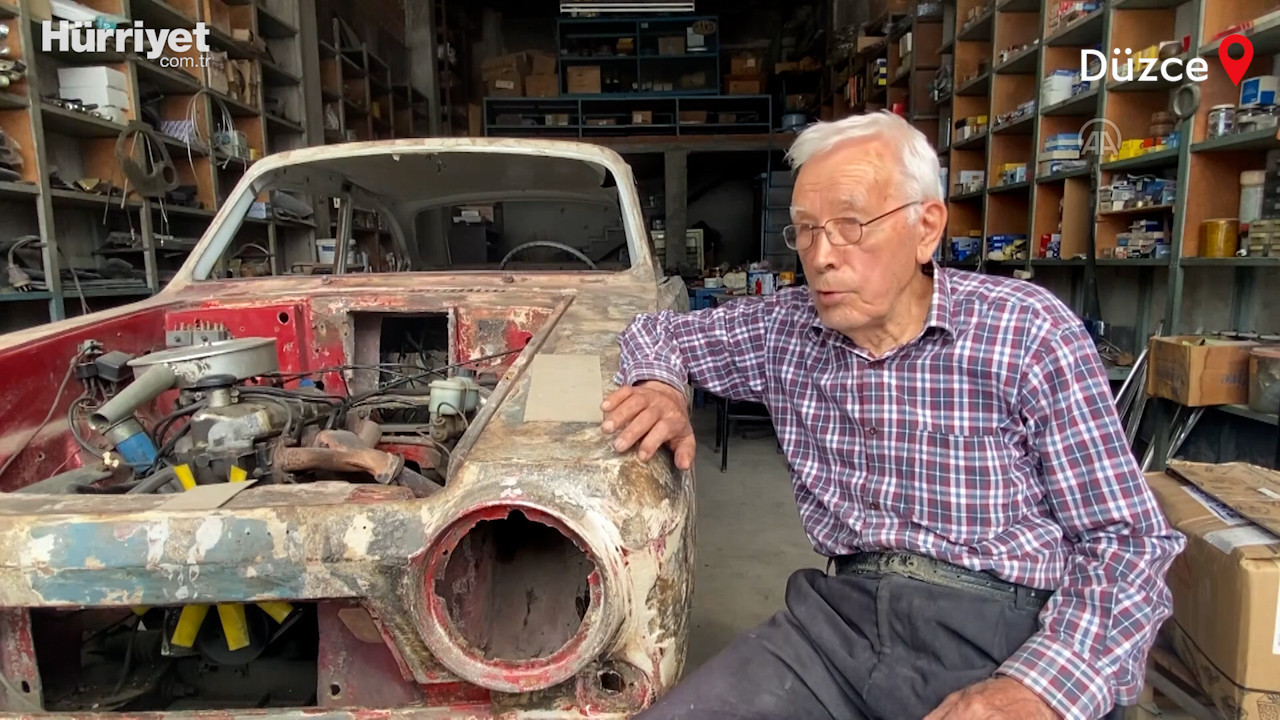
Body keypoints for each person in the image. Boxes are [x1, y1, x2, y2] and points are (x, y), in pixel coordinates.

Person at [601, 111, 1185, 720]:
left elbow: (1127, 541)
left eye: (850, 226)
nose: (821, 256)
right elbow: (655, 331)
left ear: (925, 228)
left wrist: (1039, 687)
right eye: (805, 230)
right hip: (838, 627)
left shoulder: (1026, 330)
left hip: (1006, 626)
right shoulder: (784, 327)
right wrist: (662, 386)